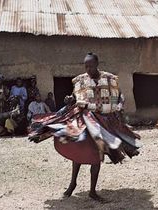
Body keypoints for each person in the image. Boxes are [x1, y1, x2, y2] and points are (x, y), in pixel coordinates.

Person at [28, 52, 141, 201]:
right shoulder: (81, 80)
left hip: (103, 121)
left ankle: (92, 191)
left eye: (91, 66)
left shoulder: (108, 78)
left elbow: (119, 95)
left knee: (96, 156)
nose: (88, 69)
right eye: (86, 66)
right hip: (84, 118)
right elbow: (77, 97)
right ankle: (72, 184)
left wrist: (119, 105)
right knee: (78, 148)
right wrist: (70, 99)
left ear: (97, 64)